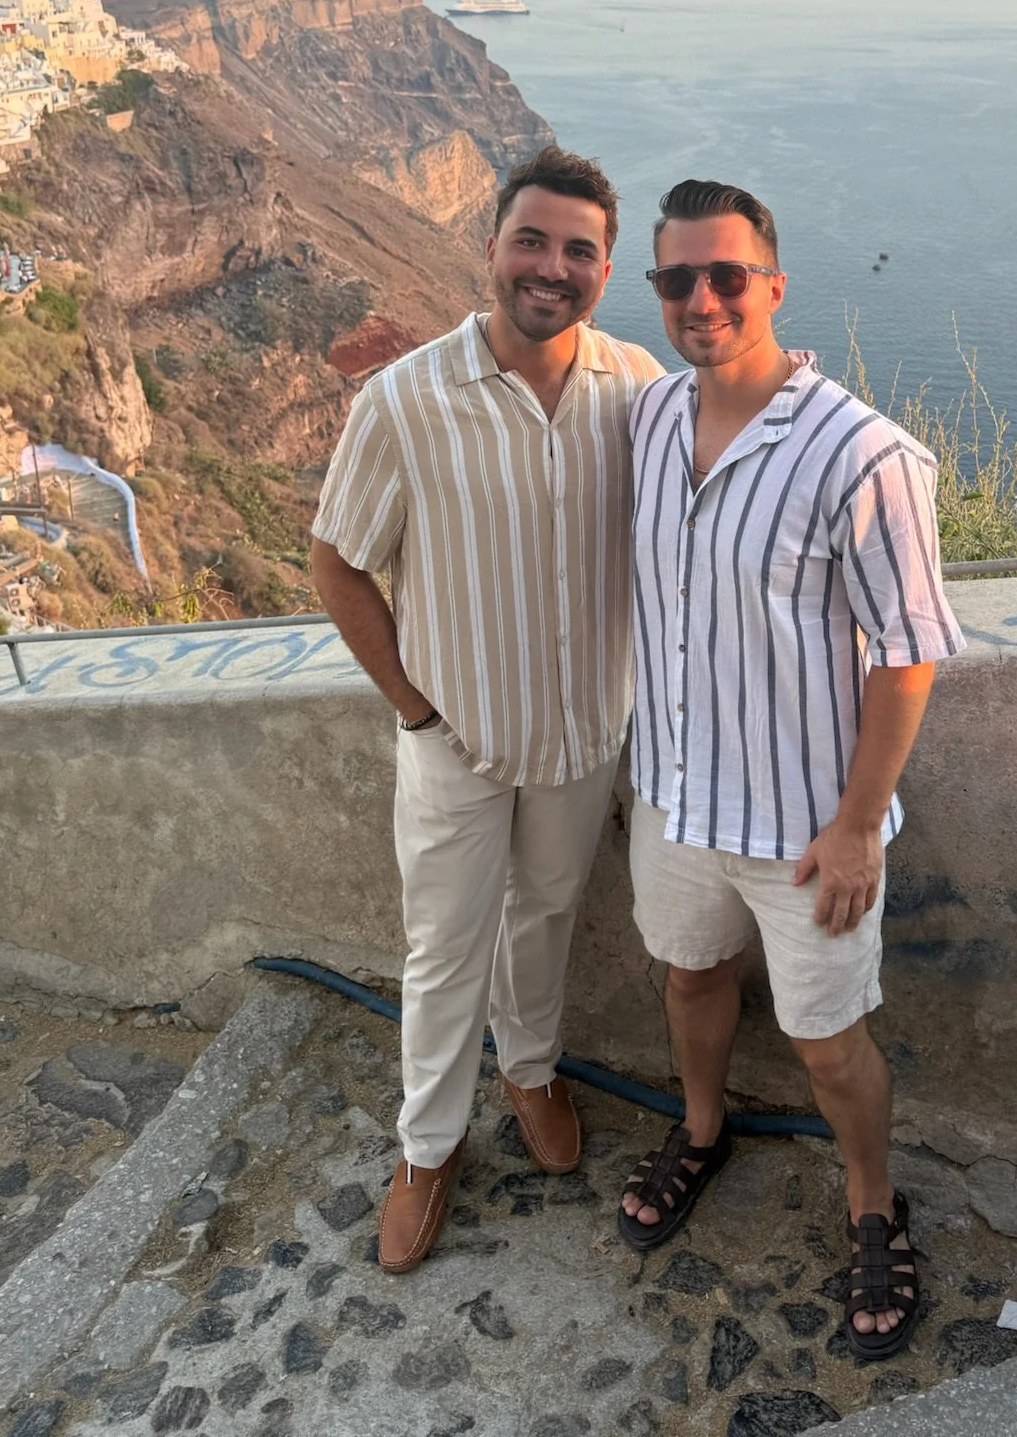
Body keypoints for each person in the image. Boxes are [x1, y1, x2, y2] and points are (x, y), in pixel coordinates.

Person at [618, 177, 964, 1361]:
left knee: (830, 1043)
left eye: (726, 275)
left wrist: (862, 822)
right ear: (655, 290)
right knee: (687, 980)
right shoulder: (654, 418)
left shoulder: (861, 452)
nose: (702, 298)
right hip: (672, 795)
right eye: (677, 278)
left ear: (773, 283)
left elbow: (910, 648)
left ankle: (873, 1203)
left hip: (803, 823)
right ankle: (702, 1128)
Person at [310, 145, 662, 1274]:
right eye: (532, 239)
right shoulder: (406, 400)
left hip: (579, 736)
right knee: (444, 945)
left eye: (578, 249)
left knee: (547, 911)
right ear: (492, 243)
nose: (551, 267)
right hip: (455, 737)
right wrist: (416, 710)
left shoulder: (638, 390)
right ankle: (425, 1150)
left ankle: (531, 1070)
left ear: (604, 267)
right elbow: (336, 559)